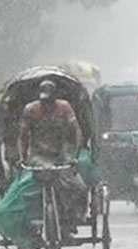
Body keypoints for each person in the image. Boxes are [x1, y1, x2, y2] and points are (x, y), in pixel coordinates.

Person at [17, 80, 87, 234]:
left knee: (79, 187)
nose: (46, 105)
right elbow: (23, 136)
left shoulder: (64, 108)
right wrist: (22, 157)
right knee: (30, 185)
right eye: (44, 102)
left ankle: (74, 215)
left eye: (49, 102)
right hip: (39, 156)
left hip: (62, 154)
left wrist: (74, 155)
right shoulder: (30, 110)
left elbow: (76, 132)